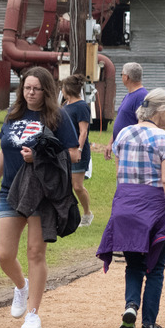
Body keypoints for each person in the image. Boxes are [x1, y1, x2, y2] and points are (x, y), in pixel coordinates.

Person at [0, 67, 81, 328]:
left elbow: (73, 154)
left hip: (42, 193)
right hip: (11, 191)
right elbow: (4, 152)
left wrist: (38, 157)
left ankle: (33, 313)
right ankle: (21, 286)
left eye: (36, 89)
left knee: (35, 252)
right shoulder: (13, 115)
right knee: (5, 255)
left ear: (46, 91)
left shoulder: (57, 117)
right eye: (26, 88)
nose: (30, 93)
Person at [96, 88, 165, 328]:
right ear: (162, 110)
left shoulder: (123, 134)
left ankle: (131, 305)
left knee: (133, 263)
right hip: (153, 204)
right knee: (155, 267)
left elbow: (120, 173)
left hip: (124, 203)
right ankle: (149, 326)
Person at [61, 74, 95, 226]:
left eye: (62, 87)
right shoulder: (65, 107)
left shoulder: (81, 107)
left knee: (77, 186)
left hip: (78, 152)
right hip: (64, 151)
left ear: (67, 89)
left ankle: (87, 213)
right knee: (63, 185)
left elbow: (83, 131)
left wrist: (79, 150)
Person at [110, 62, 148, 145]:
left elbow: (142, 123)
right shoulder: (128, 95)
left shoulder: (142, 96)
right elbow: (122, 119)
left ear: (126, 77)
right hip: (120, 144)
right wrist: (111, 143)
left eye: (122, 74)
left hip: (130, 146)